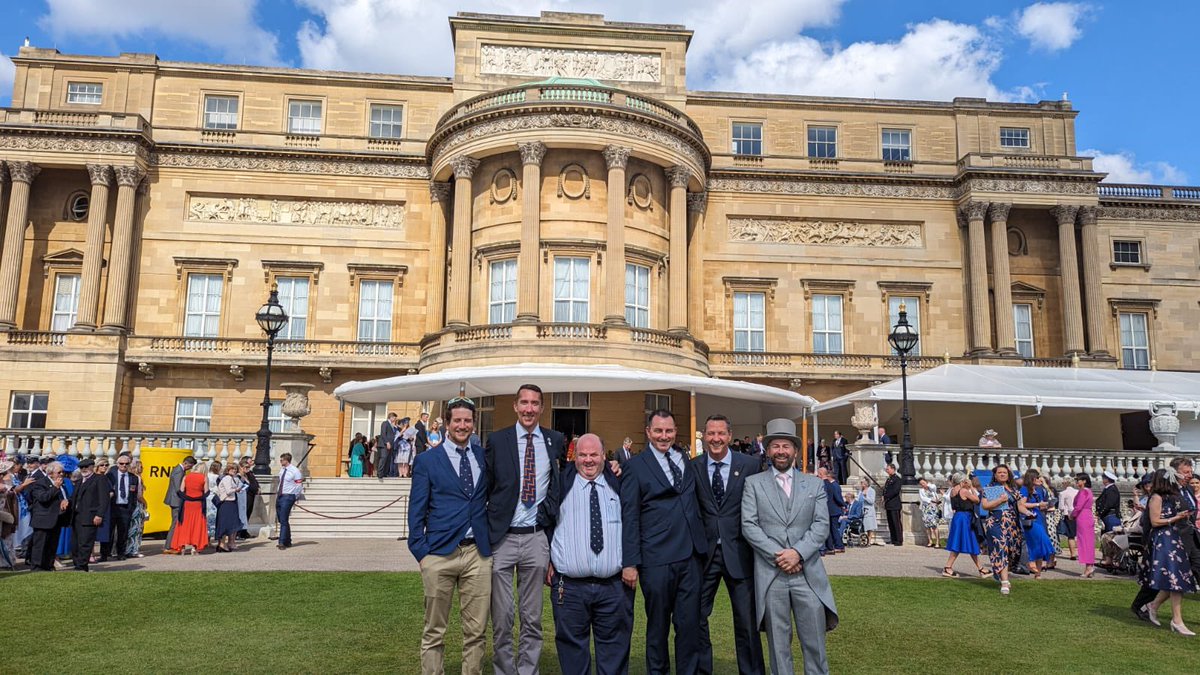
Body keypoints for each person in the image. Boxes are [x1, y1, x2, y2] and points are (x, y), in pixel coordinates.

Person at [742, 418, 838, 675]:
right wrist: (781, 556)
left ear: (795, 450)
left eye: (786, 446)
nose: (781, 451)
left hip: (807, 575)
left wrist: (797, 553)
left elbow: (821, 525)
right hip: (772, 576)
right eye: (775, 446)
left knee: (815, 645)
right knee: (778, 647)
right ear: (768, 450)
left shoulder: (815, 484)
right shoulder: (753, 484)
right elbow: (749, 526)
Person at [483, 384, 565, 675]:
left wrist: (545, 516)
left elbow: (559, 484)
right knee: (503, 617)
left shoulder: (555, 440)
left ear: (542, 408)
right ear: (516, 406)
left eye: (535, 404)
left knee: (532, 617)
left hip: (535, 538)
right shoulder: (497, 440)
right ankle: (504, 670)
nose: (530, 409)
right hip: (503, 539)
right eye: (524, 403)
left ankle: (528, 670)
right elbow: (487, 486)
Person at [620, 409, 708, 675]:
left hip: (690, 557)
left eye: (669, 431)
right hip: (656, 559)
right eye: (658, 431)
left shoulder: (683, 458)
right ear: (648, 432)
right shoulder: (635, 466)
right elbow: (630, 516)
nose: (664, 436)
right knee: (658, 628)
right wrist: (630, 563)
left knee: (689, 626)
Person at [408, 397, 491, 675]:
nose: (463, 425)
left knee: (477, 631)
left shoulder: (483, 458)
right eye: (457, 420)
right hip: (439, 554)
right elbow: (416, 511)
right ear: (446, 423)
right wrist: (421, 553)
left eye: (467, 420)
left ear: (473, 424)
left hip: (477, 553)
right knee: (434, 631)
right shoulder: (427, 461)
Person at [545, 434, 633, 675]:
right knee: (573, 658)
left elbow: (635, 523)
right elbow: (544, 521)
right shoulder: (561, 484)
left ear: (605, 455)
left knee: (614, 656)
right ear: (574, 457)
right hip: (570, 589)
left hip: (614, 588)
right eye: (582, 455)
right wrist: (547, 559)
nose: (588, 460)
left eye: (594, 454)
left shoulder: (620, 483)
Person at [692, 414, 765, 675]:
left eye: (721, 433)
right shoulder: (694, 466)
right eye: (711, 433)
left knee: (746, 622)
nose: (716, 439)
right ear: (704, 436)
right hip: (704, 555)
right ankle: (702, 670)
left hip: (740, 553)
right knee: (696, 618)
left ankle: (752, 671)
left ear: (730, 436)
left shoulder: (751, 465)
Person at [1132, 457, 1200, 624]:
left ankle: (1153, 606)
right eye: (1186, 472)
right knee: (1162, 577)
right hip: (1173, 539)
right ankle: (1141, 604)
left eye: (1190, 471)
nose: (1190, 475)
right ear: (1175, 472)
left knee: (1195, 570)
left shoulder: (1188, 490)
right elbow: (1151, 519)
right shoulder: (1166, 493)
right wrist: (1148, 541)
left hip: (1191, 537)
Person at [981, 464, 1024, 595]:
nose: (1002, 474)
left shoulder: (1013, 488)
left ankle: (1001, 573)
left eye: (1005, 472)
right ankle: (1004, 582)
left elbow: (1020, 505)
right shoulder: (990, 488)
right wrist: (1000, 500)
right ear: (995, 475)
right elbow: (985, 506)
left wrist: (1029, 512)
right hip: (996, 522)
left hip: (1012, 523)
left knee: (1012, 550)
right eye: (999, 472)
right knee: (1001, 548)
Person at [68, 458, 109, 572]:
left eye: (86, 467)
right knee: (75, 544)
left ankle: (82, 566)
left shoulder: (99, 479)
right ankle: (77, 565)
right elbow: (74, 498)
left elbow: (104, 499)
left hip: (90, 516)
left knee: (85, 543)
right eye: (82, 467)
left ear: (92, 467)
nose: (84, 469)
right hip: (77, 517)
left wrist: (99, 514)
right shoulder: (80, 481)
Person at [27, 459, 68, 571]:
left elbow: (62, 498)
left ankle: (48, 565)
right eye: (59, 472)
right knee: (40, 545)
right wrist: (55, 487)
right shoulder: (41, 483)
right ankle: (37, 567)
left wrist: (65, 501)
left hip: (56, 519)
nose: (61, 474)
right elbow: (43, 498)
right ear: (50, 473)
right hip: (43, 519)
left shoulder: (61, 484)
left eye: (62, 472)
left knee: (52, 544)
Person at [942, 472, 985, 577]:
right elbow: (977, 499)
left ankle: (980, 568)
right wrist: (971, 487)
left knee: (967, 541)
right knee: (965, 541)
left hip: (958, 517)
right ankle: (948, 567)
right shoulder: (964, 491)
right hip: (965, 518)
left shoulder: (952, 491)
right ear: (962, 481)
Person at [105, 452, 140, 561]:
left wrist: (131, 507)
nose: (124, 466)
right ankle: (105, 553)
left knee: (123, 532)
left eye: (126, 464)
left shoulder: (133, 478)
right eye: (121, 463)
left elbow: (134, 494)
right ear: (117, 464)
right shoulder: (110, 476)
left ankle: (121, 553)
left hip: (125, 507)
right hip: (113, 506)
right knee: (108, 531)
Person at [1019, 470, 1054, 579]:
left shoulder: (1038, 490)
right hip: (1031, 519)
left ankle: (1038, 573)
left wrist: (1046, 505)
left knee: (1040, 544)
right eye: (1037, 478)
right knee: (1042, 541)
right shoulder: (1025, 489)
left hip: (1039, 517)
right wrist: (1038, 504)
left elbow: (1039, 505)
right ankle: (1030, 563)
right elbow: (1021, 504)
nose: (1040, 480)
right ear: (1032, 478)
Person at [171, 462, 210, 555]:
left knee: (184, 524)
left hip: (187, 504)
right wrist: (198, 496)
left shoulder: (186, 477)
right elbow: (206, 492)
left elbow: (181, 491)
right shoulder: (204, 478)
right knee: (197, 524)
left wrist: (188, 497)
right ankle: (194, 547)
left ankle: (182, 546)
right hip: (198, 504)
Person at [162, 455, 196, 554]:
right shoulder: (179, 471)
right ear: (186, 463)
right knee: (175, 523)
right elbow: (178, 488)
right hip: (176, 500)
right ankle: (168, 546)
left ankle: (172, 545)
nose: (190, 468)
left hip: (175, 499)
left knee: (176, 522)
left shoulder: (180, 470)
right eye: (190, 466)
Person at [276, 453, 304, 550]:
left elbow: (299, 485)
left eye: (281, 460)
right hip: (280, 495)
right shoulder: (282, 470)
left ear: (286, 460)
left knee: (283, 519)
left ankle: (282, 541)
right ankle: (288, 540)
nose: (280, 462)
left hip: (288, 496)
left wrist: (295, 496)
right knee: (281, 519)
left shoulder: (295, 471)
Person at [214, 462, 244, 552]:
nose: (234, 471)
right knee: (225, 524)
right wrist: (236, 489)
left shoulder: (232, 478)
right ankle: (222, 544)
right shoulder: (227, 478)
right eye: (232, 469)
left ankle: (224, 543)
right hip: (227, 502)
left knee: (229, 523)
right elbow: (228, 491)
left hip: (231, 501)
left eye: (235, 469)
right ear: (228, 470)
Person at [1071, 473, 1096, 578]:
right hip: (1086, 516)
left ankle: (1089, 567)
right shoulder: (1087, 491)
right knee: (1087, 542)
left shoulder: (1084, 492)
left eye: (1079, 480)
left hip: (1083, 517)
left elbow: (1078, 506)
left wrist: (1072, 515)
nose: (1077, 482)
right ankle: (1089, 565)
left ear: (1084, 481)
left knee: (1085, 542)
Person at [819, 468, 846, 555]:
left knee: (833, 529)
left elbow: (837, 497)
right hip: (833, 509)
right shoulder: (831, 484)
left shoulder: (833, 485)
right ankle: (834, 545)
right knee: (832, 529)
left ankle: (838, 545)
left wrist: (843, 505)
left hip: (832, 510)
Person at [125, 460, 149, 558]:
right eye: (141, 467)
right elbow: (139, 495)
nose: (142, 469)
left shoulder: (129, 477)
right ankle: (133, 549)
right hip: (137, 505)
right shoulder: (137, 478)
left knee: (129, 528)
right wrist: (145, 503)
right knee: (136, 528)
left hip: (130, 505)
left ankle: (127, 549)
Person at [238, 456, 260, 540]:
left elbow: (254, 482)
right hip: (245, 497)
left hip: (251, 496)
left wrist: (257, 488)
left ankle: (244, 532)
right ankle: (239, 532)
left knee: (248, 514)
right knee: (243, 514)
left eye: (248, 466)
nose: (249, 467)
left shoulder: (249, 474)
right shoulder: (240, 476)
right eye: (246, 466)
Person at [1057, 477, 1079, 560]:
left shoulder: (1063, 493)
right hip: (1078, 513)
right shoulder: (1077, 492)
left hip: (1068, 514)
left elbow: (1061, 507)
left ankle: (1073, 554)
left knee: (1071, 535)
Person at [918, 477, 942, 548]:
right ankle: (930, 541)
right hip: (926, 508)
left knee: (934, 525)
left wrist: (927, 485)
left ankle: (937, 541)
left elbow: (933, 487)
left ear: (926, 482)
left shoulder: (932, 487)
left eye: (923, 483)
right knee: (927, 526)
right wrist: (931, 500)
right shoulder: (921, 490)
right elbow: (923, 498)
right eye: (921, 484)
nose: (922, 485)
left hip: (933, 508)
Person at [883, 464, 903, 546]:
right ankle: (893, 538)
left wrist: (886, 496)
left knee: (896, 523)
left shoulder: (897, 479)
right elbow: (885, 489)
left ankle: (899, 540)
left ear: (893, 469)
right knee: (890, 522)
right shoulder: (889, 480)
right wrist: (883, 496)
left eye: (888, 469)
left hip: (894, 504)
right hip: (889, 504)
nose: (887, 471)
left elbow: (895, 491)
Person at [856, 478, 878, 546]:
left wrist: (865, 497)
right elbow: (858, 499)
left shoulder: (871, 490)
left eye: (862, 483)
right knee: (862, 526)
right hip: (861, 510)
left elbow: (872, 501)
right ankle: (863, 540)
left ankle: (869, 541)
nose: (861, 484)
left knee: (869, 527)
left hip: (868, 510)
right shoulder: (860, 491)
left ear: (866, 484)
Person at [379, 412, 399, 479]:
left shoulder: (391, 425)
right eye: (394, 418)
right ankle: (380, 473)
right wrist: (387, 442)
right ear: (391, 417)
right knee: (383, 458)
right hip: (385, 445)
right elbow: (383, 434)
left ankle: (385, 473)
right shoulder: (385, 423)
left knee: (388, 460)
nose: (395, 420)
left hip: (390, 445)